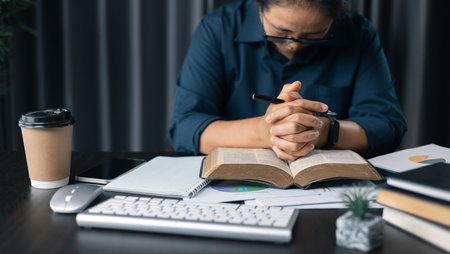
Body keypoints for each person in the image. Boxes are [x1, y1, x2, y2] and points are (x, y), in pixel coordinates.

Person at [169, 0, 407, 160]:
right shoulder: (219, 29)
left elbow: (387, 125)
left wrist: (324, 132)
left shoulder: (359, 35)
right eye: (280, 33)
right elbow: (185, 127)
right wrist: (265, 131)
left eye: (313, 36)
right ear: (259, 7)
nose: (293, 44)